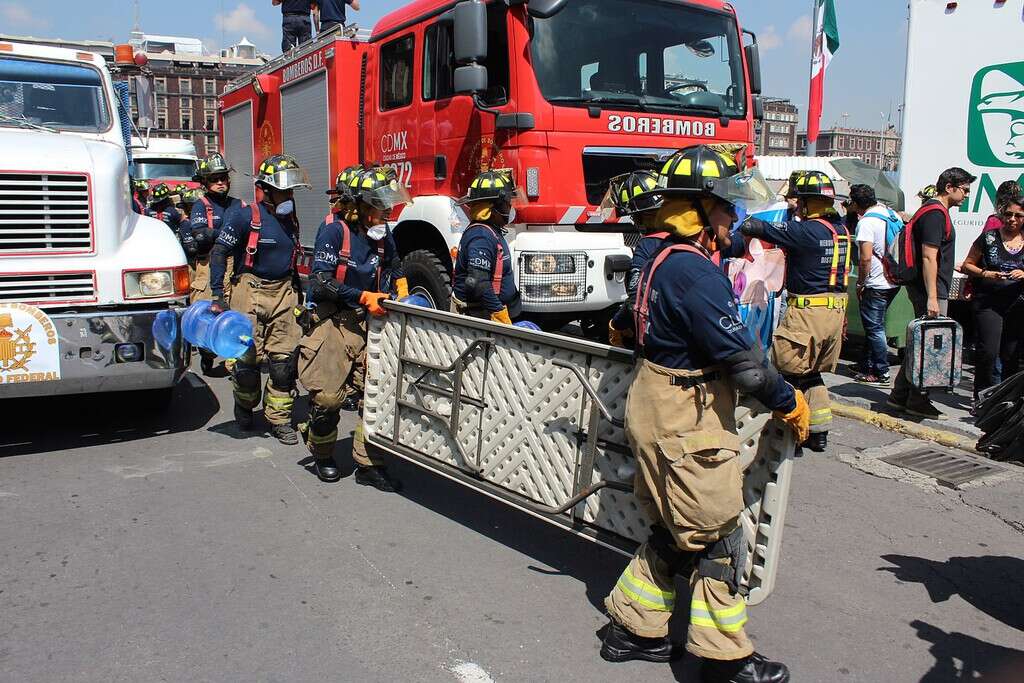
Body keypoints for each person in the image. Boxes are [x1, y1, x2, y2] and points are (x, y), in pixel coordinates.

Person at [599, 145, 808, 683]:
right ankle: (725, 660)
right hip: (683, 416)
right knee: (717, 534)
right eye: (724, 208)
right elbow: (746, 367)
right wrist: (790, 401)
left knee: (677, 527)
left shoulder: (663, 257)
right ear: (697, 208)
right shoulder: (695, 273)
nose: (732, 220)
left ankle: (631, 627)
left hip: (658, 403)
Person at [297, 167, 409, 490]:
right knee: (329, 399)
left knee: (376, 395)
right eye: (379, 206)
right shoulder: (334, 231)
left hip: (370, 321)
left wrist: (402, 291)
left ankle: (368, 462)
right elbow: (320, 283)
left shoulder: (381, 231)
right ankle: (322, 451)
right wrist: (361, 295)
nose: (385, 213)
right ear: (358, 206)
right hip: (335, 320)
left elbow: (394, 265)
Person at [740, 171, 851, 453]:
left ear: (805, 202)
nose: (795, 205)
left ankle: (787, 434)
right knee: (811, 373)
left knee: (783, 371)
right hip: (834, 313)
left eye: (798, 200)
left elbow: (758, 228)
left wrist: (741, 216)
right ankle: (818, 431)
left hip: (807, 314)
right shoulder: (840, 230)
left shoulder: (806, 231)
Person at [210, 154, 310, 444]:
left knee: (283, 365)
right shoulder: (244, 216)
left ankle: (278, 419)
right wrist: (217, 295)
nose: (290, 196)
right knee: (247, 365)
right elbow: (219, 253)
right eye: (284, 190)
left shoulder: (290, 218)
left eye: (292, 190)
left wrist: (301, 297)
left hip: (284, 294)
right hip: (249, 291)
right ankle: (244, 404)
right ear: (266, 189)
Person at [887, 167, 976, 418]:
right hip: (930, 290)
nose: (967, 195)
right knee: (929, 345)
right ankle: (917, 399)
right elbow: (929, 257)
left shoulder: (933, 211)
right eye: (965, 189)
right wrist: (933, 297)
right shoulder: (936, 214)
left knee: (921, 343)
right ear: (950, 187)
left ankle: (900, 395)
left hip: (929, 289)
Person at [186, 153, 245, 375]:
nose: (220, 182)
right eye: (214, 179)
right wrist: (226, 235)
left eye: (223, 178)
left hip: (235, 266)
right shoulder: (202, 206)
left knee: (236, 314)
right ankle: (207, 352)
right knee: (208, 317)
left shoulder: (239, 205)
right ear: (205, 182)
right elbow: (200, 235)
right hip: (209, 265)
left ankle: (234, 363)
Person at [961, 195, 1024, 400]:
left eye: (1018, 215)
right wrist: (986, 274)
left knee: (1011, 355)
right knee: (988, 352)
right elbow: (967, 264)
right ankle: (982, 398)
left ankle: (1007, 401)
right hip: (989, 302)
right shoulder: (988, 237)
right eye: (1008, 214)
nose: (1012, 219)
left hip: (1017, 304)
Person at [451, 170, 523, 324]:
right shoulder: (481, 237)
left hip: (487, 314)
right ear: (490, 208)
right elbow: (478, 283)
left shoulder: (490, 231)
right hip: (481, 317)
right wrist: (498, 314)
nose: (510, 208)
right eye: (506, 203)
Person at [605, 170, 666, 347]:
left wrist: (616, 324)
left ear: (640, 216)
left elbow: (635, 300)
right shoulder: (694, 237)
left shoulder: (648, 245)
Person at [849, 184, 901, 386]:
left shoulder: (867, 223)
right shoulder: (891, 214)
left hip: (876, 282)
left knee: (874, 328)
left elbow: (865, 259)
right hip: (893, 279)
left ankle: (881, 372)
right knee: (875, 326)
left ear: (856, 203)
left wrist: (861, 282)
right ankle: (866, 365)